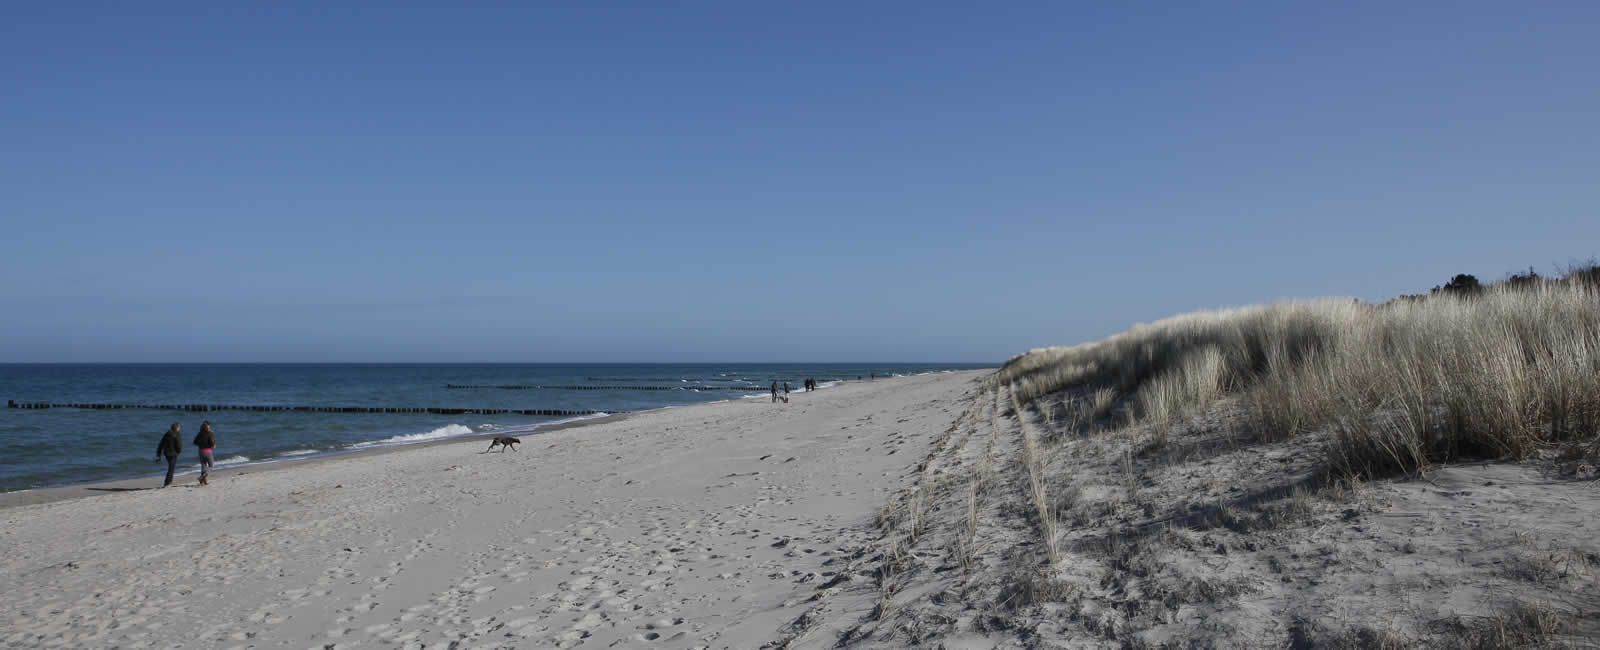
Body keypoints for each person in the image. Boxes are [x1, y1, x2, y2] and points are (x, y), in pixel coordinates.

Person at [155, 423, 183, 487]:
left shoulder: (167, 434)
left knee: (171, 467)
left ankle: (168, 481)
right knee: (171, 467)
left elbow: (161, 444)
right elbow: (179, 444)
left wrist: (159, 454)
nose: (179, 429)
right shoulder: (176, 434)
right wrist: (179, 451)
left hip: (167, 453)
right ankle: (168, 482)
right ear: (177, 428)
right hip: (173, 453)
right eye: (179, 427)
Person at [193, 421, 216, 486]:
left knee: (203, 466)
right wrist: (213, 445)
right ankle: (203, 476)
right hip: (208, 451)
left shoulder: (199, 433)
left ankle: (203, 481)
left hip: (201, 451)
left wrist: (201, 444)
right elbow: (212, 442)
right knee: (211, 465)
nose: (209, 428)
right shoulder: (210, 433)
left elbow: (195, 442)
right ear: (207, 427)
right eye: (209, 426)